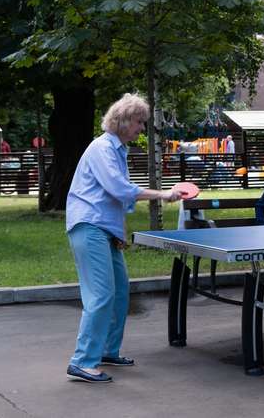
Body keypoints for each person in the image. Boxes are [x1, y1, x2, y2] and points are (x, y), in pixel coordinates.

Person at [65, 93, 184, 383]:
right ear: (124, 120)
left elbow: (113, 199)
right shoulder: (102, 148)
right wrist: (164, 194)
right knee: (101, 294)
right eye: (140, 122)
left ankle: (106, 350)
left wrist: (117, 234)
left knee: (119, 292)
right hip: (88, 227)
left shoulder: (118, 150)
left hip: (104, 230)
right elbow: (120, 189)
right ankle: (82, 361)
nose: (142, 128)